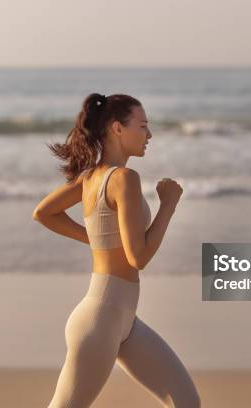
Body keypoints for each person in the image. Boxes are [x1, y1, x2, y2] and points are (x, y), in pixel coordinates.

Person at [33, 93, 201, 407]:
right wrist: (168, 206)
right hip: (100, 320)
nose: (149, 135)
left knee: (186, 402)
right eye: (143, 126)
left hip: (123, 320)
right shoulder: (124, 178)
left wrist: (97, 241)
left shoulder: (91, 177)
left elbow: (43, 212)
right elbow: (139, 257)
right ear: (117, 128)